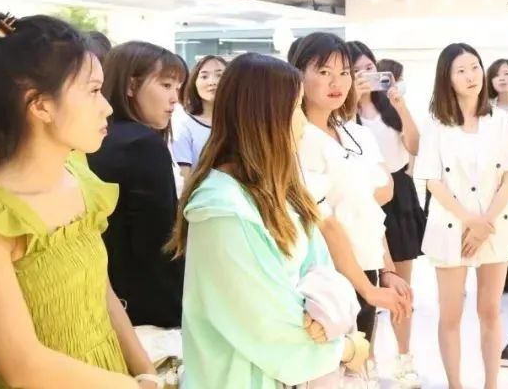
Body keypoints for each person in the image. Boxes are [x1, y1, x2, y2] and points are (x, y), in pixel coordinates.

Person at [0, 13, 160, 388]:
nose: (107, 107)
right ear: (41, 105)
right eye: (93, 91)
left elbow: (102, 291)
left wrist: (146, 372)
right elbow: (24, 367)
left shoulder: (78, 174)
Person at [166, 53, 370, 389]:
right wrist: (346, 349)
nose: (302, 122)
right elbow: (266, 325)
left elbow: (322, 273)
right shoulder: (220, 208)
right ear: (266, 116)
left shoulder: (279, 189)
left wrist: (327, 310)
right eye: (296, 109)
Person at [288, 35, 413, 353]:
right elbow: (325, 223)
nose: (337, 82)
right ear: (298, 74)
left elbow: (370, 210)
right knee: (332, 365)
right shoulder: (296, 140)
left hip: (366, 270)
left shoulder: (357, 134)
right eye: (324, 72)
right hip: (323, 276)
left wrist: (386, 269)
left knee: (360, 363)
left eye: (344, 73)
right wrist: (366, 286)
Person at [415, 43, 508, 389]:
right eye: (461, 70)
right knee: (450, 313)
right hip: (452, 224)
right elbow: (432, 180)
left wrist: (484, 224)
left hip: (496, 224)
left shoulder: (499, 120)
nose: (471, 76)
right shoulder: (436, 122)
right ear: (447, 78)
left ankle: (491, 383)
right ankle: (456, 384)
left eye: (475, 67)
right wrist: (470, 221)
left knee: (490, 310)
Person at [88, 41, 187, 329]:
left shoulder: (97, 138)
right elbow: (157, 241)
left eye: (177, 87)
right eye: (166, 85)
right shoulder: (142, 145)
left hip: (102, 295)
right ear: (131, 86)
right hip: (145, 308)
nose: (174, 98)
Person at [347, 44, 425, 388]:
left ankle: (404, 357)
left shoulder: (389, 107)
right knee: (366, 285)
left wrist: (400, 105)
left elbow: (415, 146)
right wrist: (351, 100)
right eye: (356, 70)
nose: (365, 75)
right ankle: (368, 358)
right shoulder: (343, 116)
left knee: (400, 285)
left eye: (369, 67)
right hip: (361, 197)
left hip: (398, 195)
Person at [172, 55, 226, 178]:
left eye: (219, 75)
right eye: (204, 76)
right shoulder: (184, 123)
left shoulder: (240, 121)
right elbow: (184, 177)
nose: (212, 82)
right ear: (194, 82)